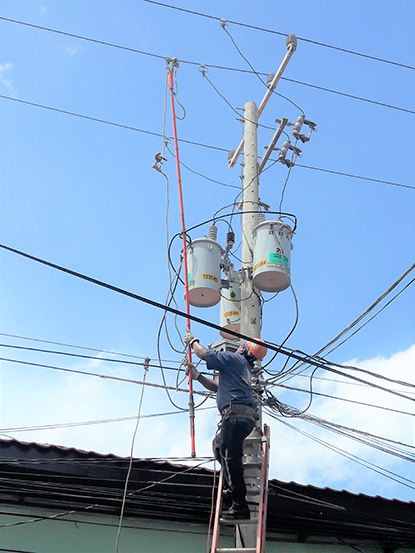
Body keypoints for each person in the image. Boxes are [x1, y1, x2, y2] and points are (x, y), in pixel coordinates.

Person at [184, 331, 267, 520]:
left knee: (230, 457)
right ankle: (234, 489)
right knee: (220, 447)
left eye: (241, 345)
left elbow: (204, 354)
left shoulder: (234, 360)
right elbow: (217, 387)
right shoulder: (242, 368)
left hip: (235, 417)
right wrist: (198, 377)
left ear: (244, 349)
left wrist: (193, 341)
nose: (237, 346)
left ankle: (239, 505)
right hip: (241, 418)